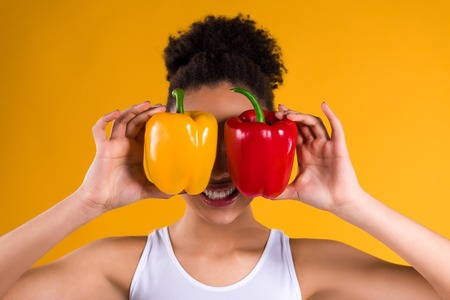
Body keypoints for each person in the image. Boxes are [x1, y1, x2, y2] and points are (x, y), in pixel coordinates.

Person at [1, 14, 449, 300]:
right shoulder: (124, 268)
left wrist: (354, 204)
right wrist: (88, 201)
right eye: (196, 138)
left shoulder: (307, 269)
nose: (219, 168)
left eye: (237, 141)